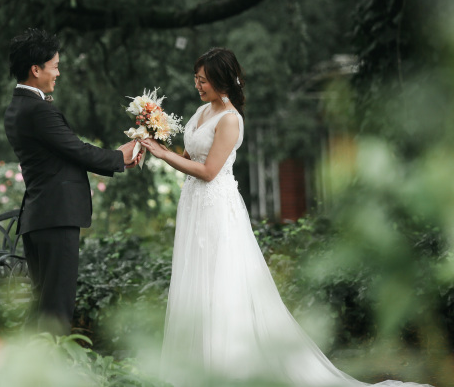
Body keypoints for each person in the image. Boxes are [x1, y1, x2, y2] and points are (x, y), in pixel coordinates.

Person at [140, 48, 430, 387]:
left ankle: (228, 369)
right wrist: (156, 136)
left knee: (219, 284)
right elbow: (187, 155)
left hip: (216, 209)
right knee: (194, 281)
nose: (197, 86)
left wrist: (161, 155)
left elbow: (207, 171)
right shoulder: (203, 111)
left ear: (221, 81)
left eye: (203, 80)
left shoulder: (231, 120)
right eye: (196, 79)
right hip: (192, 207)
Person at [4, 27, 139, 334]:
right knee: (56, 310)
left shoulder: (18, 107)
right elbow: (76, 149)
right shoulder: (37, 110)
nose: (59, 73)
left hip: (41, 217)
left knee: (43, 306)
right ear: (35, 69)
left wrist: (118, 157)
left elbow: (65, 153)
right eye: (55, 66)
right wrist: (120, 157)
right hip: (55, 216)